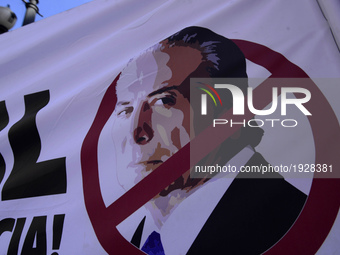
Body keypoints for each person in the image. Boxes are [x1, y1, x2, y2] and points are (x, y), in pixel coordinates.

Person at [111, 26, 306, 254]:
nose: (138, 133)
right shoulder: (137, 239)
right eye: (125, 111)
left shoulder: (288, 220)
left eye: (164, 101)